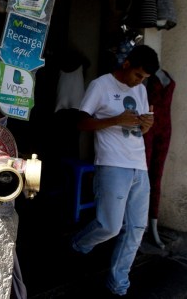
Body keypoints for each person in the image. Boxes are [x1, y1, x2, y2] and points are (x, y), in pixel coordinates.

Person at [71, 44, 159, 296]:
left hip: (138, 166)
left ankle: (119, 285)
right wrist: (115, 119)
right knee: (109, 226)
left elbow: (138, 130)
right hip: (112, 163)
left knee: (136, 229)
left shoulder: (141, 90)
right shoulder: (101, 85)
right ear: (127, 64)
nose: (139, 82)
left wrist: (146, 125)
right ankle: (79, 244)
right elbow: (80, 123)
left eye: (144, 79)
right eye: (138, 75)